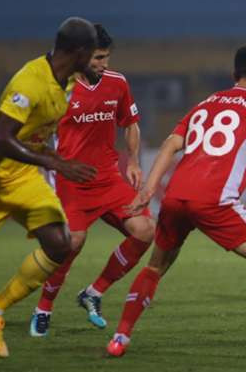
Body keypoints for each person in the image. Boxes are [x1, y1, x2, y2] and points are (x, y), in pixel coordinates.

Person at [105, 45, 246, 362]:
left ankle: (120, 337)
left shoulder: (206, 104)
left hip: (175, 196)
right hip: (215, 201)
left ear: (235, 75)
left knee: (155, 266)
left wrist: (148, 190)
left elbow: (170, 144)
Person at [0, 17, 97, 357]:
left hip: (24, 177)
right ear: (79, 52)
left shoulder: (67, 78)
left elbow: (38, 131)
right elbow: (0, 139)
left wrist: (90, 74)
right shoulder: (29, 82)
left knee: (60, 244)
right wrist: (57, 163)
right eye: (92, 53)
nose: (96, 58)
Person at [29, 24, 156, 337]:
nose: (105, 64)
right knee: (72, 242)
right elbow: (37, 134)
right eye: (99, 58)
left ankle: (94, 292)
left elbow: (131, 123)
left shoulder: (117, 83)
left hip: (109, 178)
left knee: (145, 230)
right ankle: (43, 307)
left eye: (107, 57)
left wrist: (135, 161)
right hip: (72, 180)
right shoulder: (59, 88)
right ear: (82, 55)